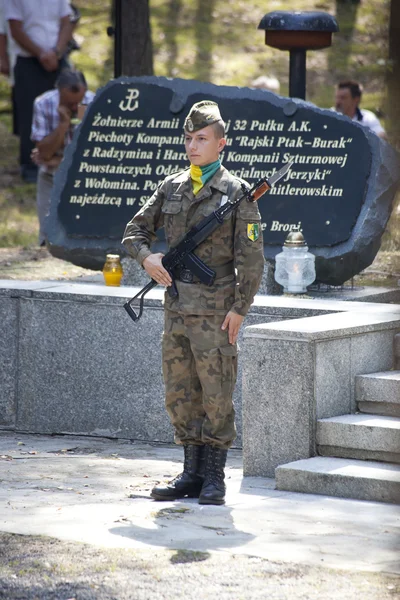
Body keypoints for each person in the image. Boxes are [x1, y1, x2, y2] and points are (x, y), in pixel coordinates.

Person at [122, 101, 265, 505]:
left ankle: (215, 477)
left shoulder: (237, 194)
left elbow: (250, 257)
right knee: (180, 391)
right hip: (177, 308)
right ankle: (191, 473)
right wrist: (146, 258)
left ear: (221, 144)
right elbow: (134, 231)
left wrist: (241, 307)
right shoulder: (172, 186)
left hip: (218, 312)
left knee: (216, 392)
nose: (192, 146)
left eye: (201, 139)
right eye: (188, 139)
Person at [5, 0, 75, 182]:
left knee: (67, 106)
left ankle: (64, 160)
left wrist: (56, 52)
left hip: (58, 58)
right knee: (29, 113)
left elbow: (67, 22)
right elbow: (15, 29)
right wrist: (41, 54)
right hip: (29, 60)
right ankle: (31, 167)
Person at [31, 69, 95, 246]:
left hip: (83, 179)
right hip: (49, 177)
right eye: (69, 103)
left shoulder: (94, 101)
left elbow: (92, 154)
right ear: (58, 91)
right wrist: (63, 125)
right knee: (47, 236)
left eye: (78, 103)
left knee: (82, 235)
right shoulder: (43, 103)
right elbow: (43, 153)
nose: (75, 107)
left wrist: (58, 160)